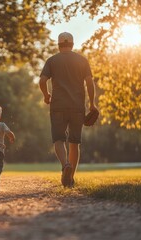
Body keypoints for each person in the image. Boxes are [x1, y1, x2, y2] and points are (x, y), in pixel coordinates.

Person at [39, 32, 98, 188]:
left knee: (58, 139)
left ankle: (65, 165)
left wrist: (46, 95)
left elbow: (42, 80)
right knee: (74, 142)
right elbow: (90, 83)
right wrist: (92, 104)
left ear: (59, 45)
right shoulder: (82, 60)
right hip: (77, 106)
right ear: (72, 44)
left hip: (58, 105)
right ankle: (70, 179)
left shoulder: (52, 61)